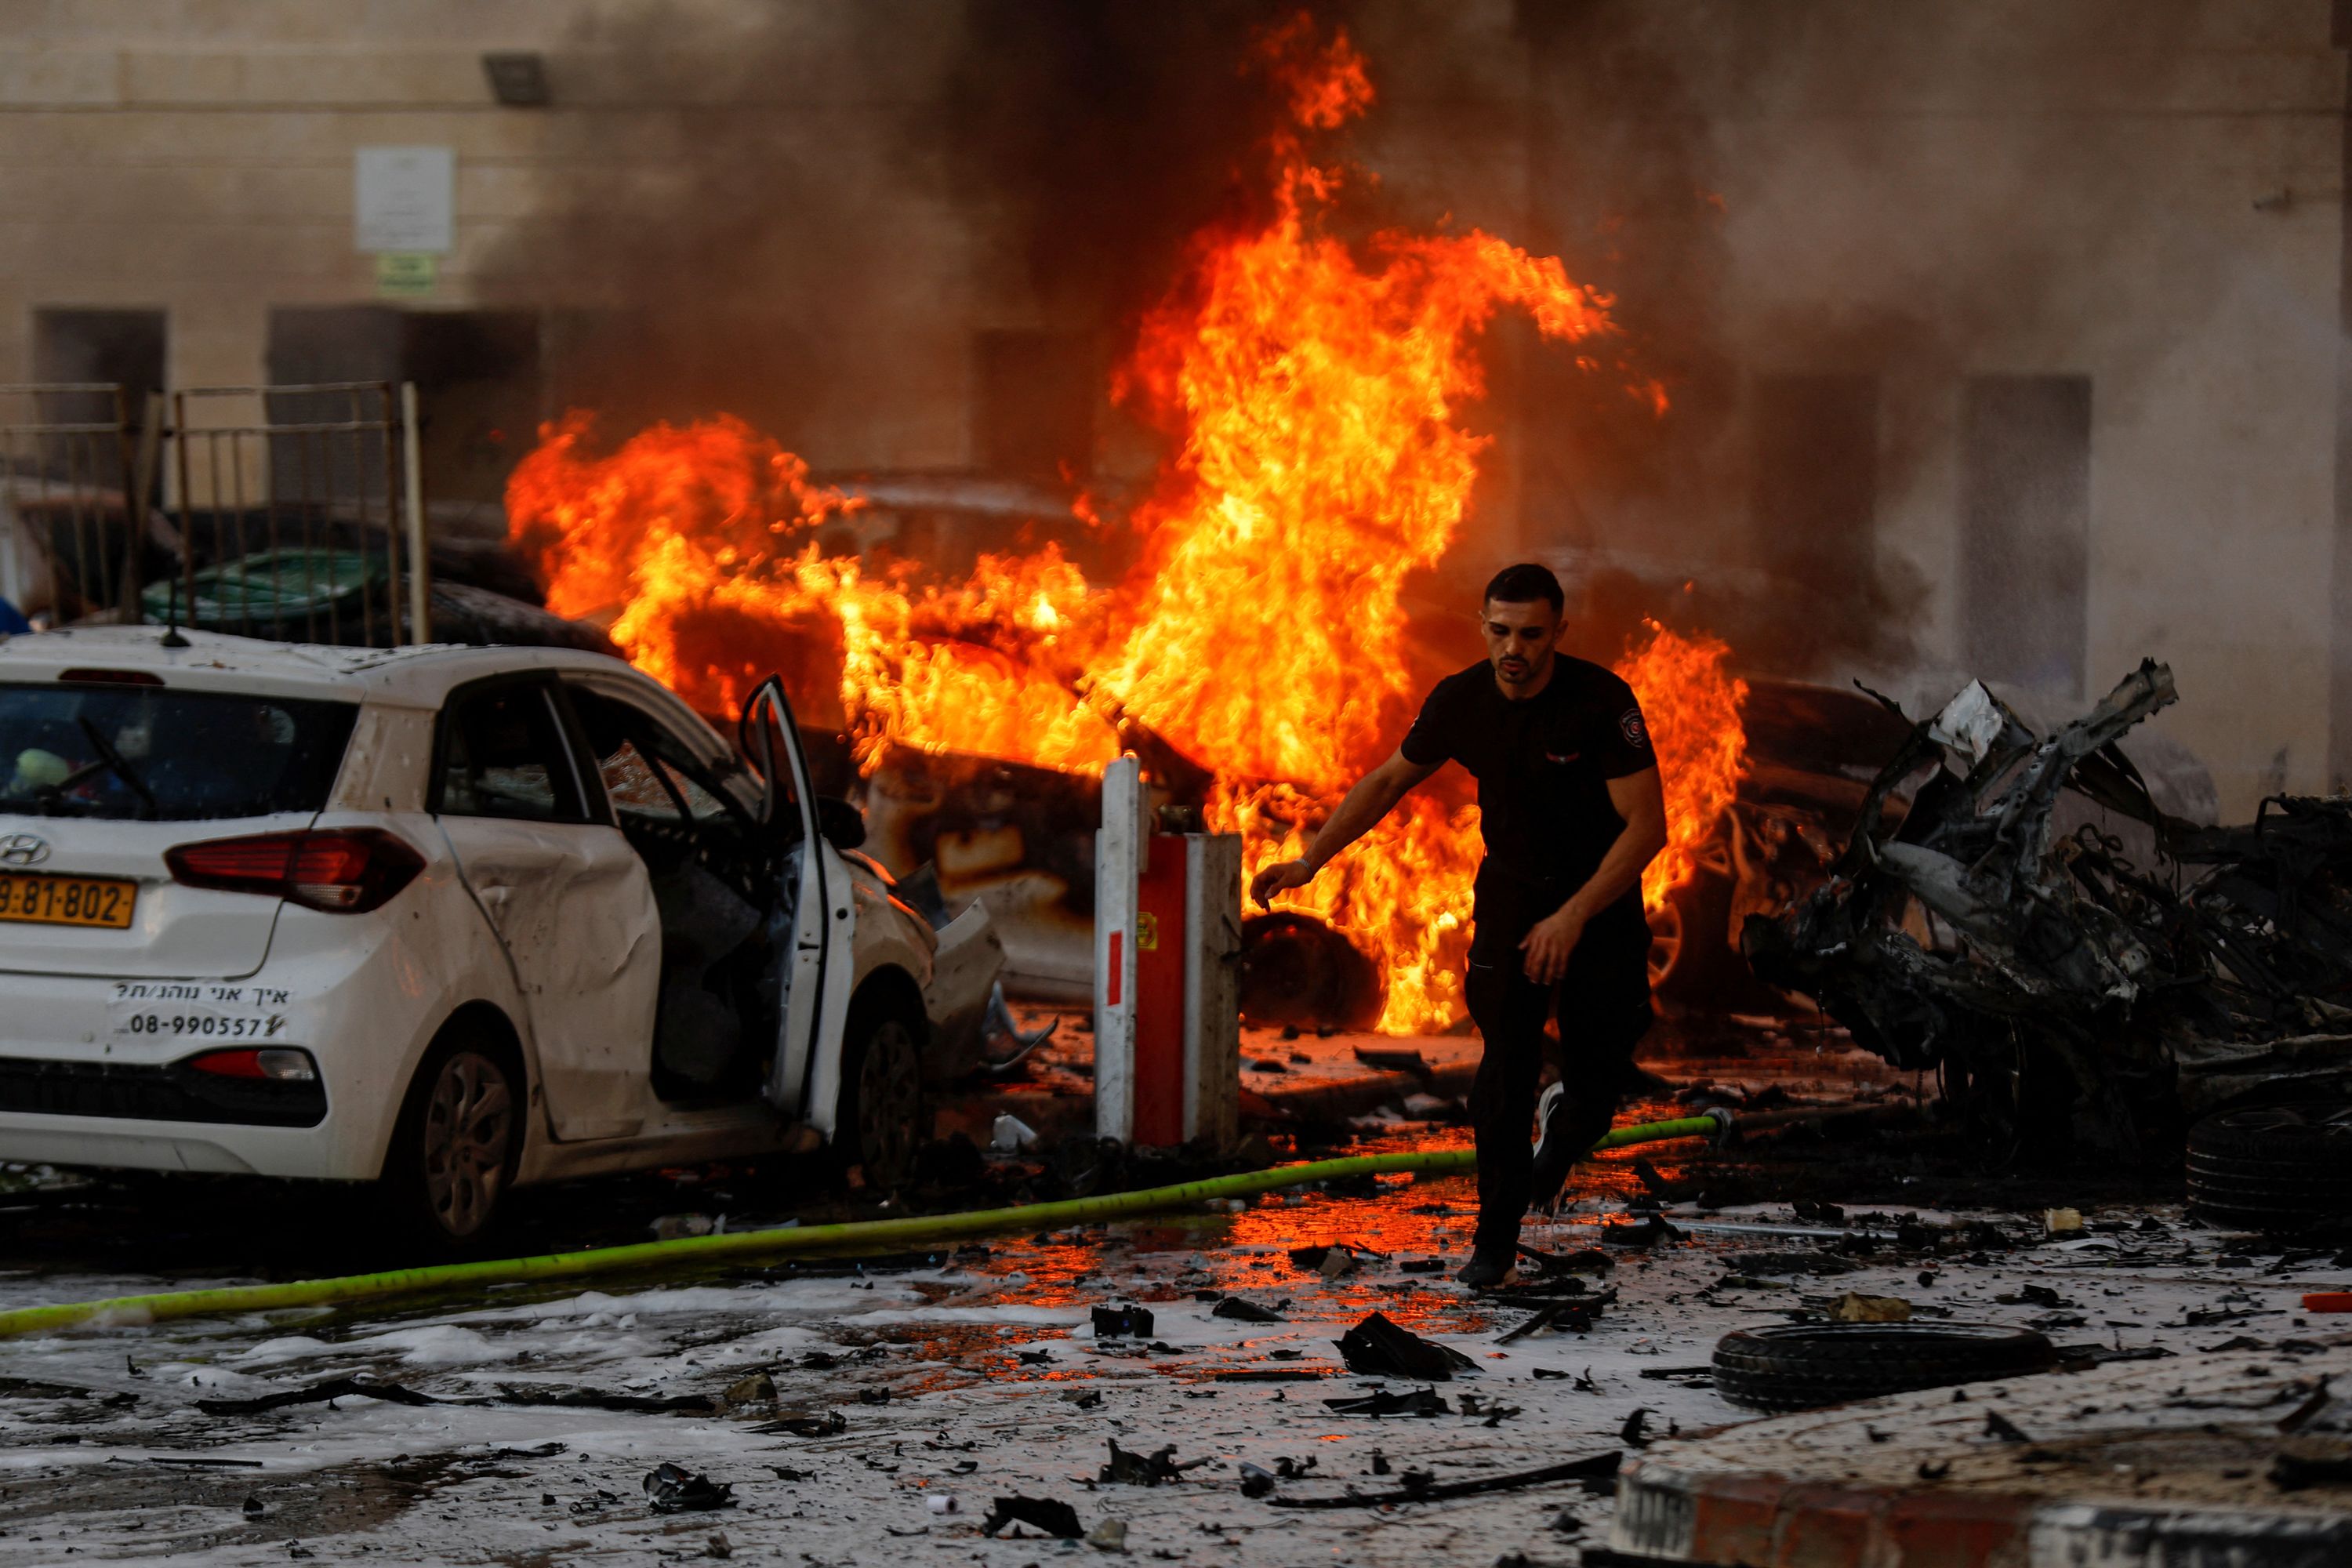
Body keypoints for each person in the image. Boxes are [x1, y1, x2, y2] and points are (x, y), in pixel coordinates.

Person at [1250, 562, 1668, 1287]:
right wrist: (1310, 861)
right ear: (1483, 627)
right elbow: (1386, 780)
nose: (1515, 648)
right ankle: (1494, 1245)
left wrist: (1573, 917)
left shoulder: (1600, 703)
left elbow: (1646, 829)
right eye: (1500, 631)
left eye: (1532, 634)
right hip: (1511, 895)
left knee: (1599, 1085)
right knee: (1503, 1071)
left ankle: (1566, 1129)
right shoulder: (1461, 700)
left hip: (1597, 904)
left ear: (1558, 633)